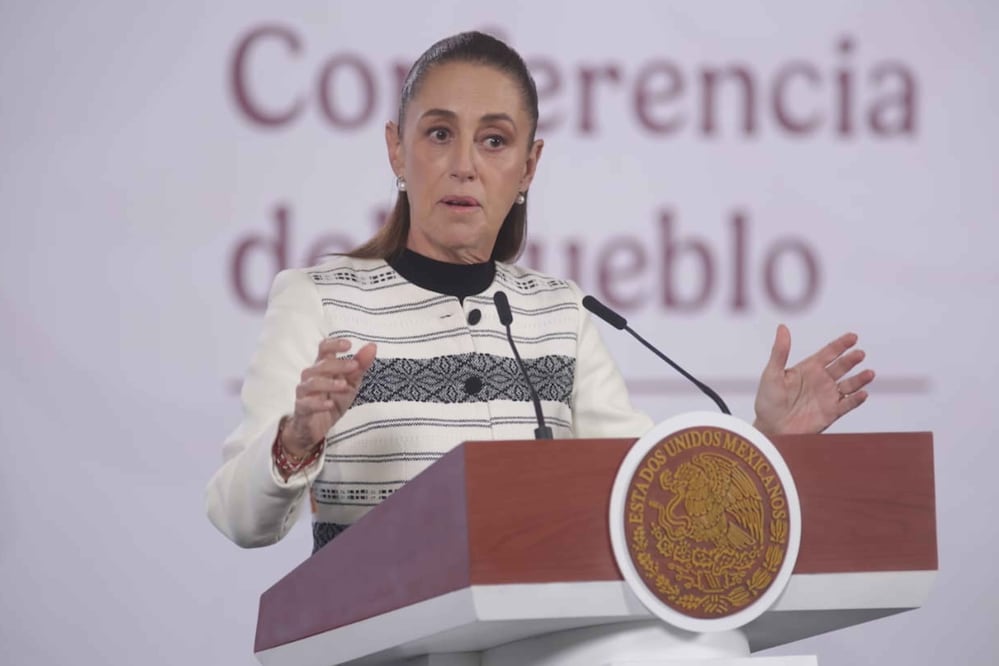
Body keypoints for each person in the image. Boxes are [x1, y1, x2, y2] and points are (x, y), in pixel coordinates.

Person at [205, 31, 874, 552]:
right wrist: (295, 441)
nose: (464, 163)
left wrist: (764, 437)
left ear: (528, 165)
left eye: (494, 141)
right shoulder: (318, 299)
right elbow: (238, 519)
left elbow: (646, 493)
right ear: (396, 150)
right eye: (438, 134)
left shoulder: (562, 314)